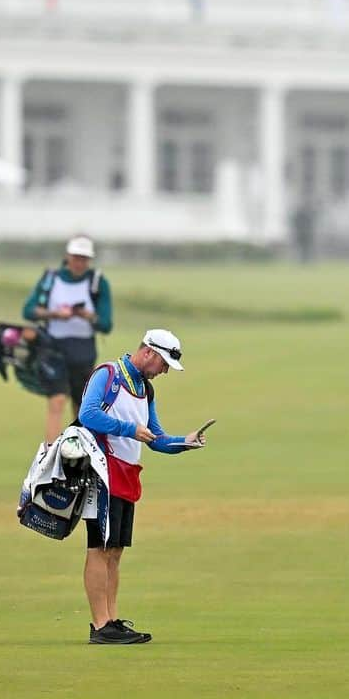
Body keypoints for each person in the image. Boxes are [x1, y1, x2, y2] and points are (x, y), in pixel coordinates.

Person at [78, 329, 211, 645]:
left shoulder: (146, 389)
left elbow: (156, 437)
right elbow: (87, 414)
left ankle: (111, 619)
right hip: (102, 471)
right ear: (148, 352)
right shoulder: (108, 374)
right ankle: (100, 626)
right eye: (163, 363)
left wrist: (183, 442)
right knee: (99, 547)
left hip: (127, 475)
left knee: (116, 550)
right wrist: (127, 429)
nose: (164, 371)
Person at [22, 235, 113, 443]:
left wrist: (86, 315)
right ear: (68, 256)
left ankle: (80, 454)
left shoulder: (97, 283)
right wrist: (54, 314)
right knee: (57, 400)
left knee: (82, 406)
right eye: (76, 257)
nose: (79, 263)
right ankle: (49, 454)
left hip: (83, 352)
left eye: (84, 258)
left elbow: (106, 324)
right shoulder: (51, 279)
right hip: (53, 349)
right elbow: (29, 310)